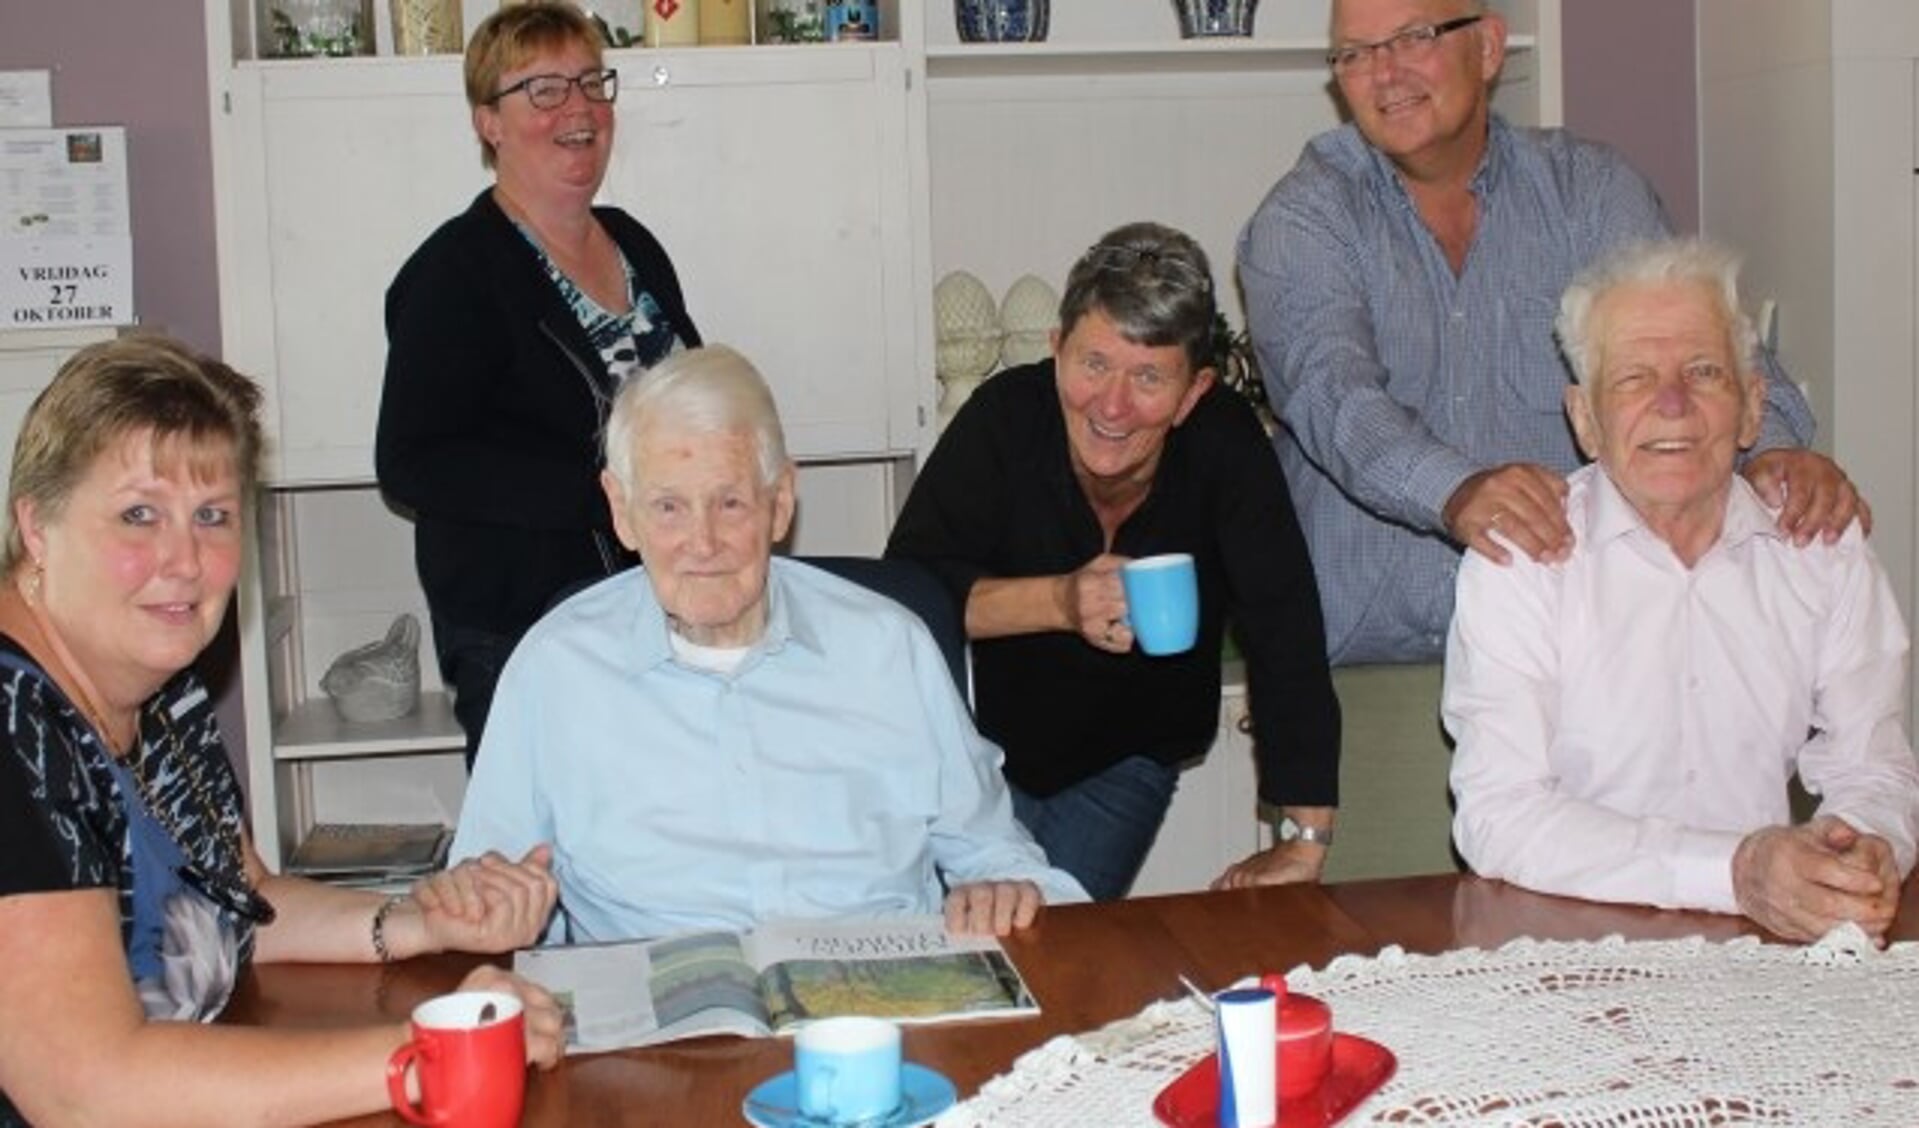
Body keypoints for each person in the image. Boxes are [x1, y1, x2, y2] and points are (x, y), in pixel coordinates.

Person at [0, 336, 564, 1126]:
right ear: (37, 526)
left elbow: (243, 902)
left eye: (213, 516)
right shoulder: (15, 726)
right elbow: (86, 1089)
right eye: (138, 515)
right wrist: (431, 1052)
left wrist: (413, 922)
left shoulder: (158, 694)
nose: (184, 559)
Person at [1238, 0, 1864, 668]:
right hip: (1357, 664)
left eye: (1412, 38)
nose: (1382, 74)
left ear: (1485, 48)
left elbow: (1701, 345)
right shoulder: (1302, 218)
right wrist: (1453, 490)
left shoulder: (1586, 193)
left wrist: (1771, 452)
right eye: (1354, 54)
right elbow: (1329, 391)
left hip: (1577, 651)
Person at [450, 344, 1086, 941]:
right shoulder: (556, 668)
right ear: (622, 511)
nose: (702, 543)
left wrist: (1006, 890)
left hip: (875, 1013)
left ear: (781, 501)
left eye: (730, 503)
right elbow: (490, 890)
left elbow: (997, 855)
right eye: (668, 507)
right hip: (656, 1032)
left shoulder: (888, 648)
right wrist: (491, 910)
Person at [1445, 239, 1919, 943]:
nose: (1672, 404)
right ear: (1583, 421)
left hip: (1772, 947)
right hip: (1565, 945)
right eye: (1633, 378)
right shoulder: (1520, 558)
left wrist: (1858, 853)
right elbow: (1498, 815)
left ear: (1753, 407)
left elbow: (1873, 767)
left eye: (1702, 372)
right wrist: (1733, 871)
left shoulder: (1820, 547)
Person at [886, 223, 1341, 900]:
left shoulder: (1224, 447)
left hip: (1128, 759)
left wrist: (1303, 841)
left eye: (1149, 376)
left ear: (1193, 392)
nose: (1112, 405)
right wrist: (1059, 603)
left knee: (1055, 946)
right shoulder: (1002, 422)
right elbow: (905, 604)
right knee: (965, 949)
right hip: (977, 757)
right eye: (1092, 364)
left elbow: (1284, 627)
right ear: (1055, 349)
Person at [377, 1, 700, 767]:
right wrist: (603, 497)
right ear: (488, 122)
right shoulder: (455, 272)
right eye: (545, 90)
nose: (579, 110)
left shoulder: (634, 245)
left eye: (591, 82)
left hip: (654, 611)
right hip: (523, 629)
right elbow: (413, 461)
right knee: (541, 860)